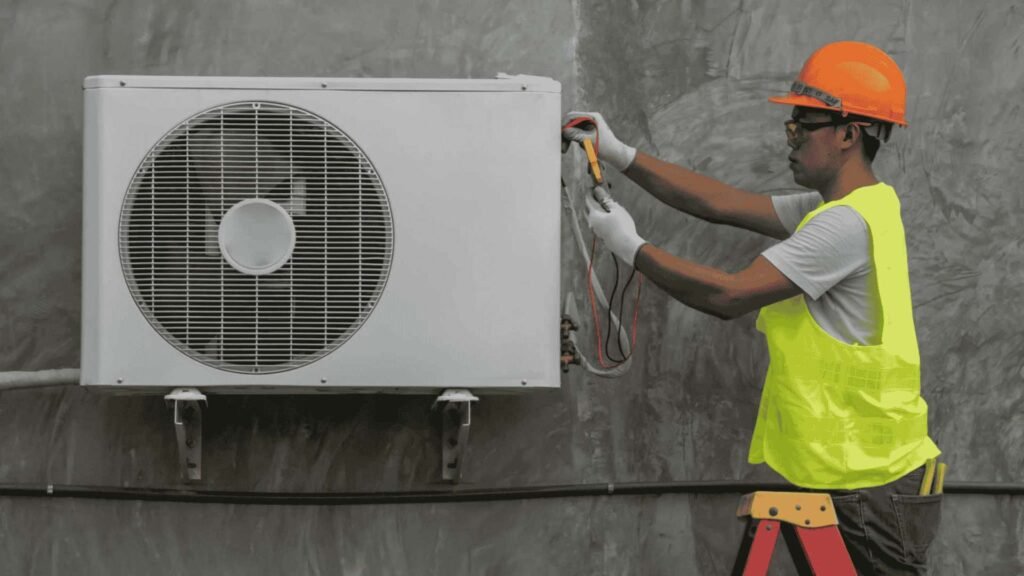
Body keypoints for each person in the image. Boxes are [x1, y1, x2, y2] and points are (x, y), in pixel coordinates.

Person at [563, 40, 942, 575]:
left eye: (800, 127)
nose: (788, 140)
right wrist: (621, 153)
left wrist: (632, 248)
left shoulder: (842, 225)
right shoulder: (854, 206)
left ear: (848, 134)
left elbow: (729, 295)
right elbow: (721, 204)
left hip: (870, 482)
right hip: (869, 473)